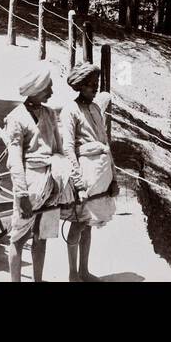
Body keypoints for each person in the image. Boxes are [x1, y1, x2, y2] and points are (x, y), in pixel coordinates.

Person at [4, 64, 77, 282]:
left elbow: (58, 148)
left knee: (42, 237)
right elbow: (15, 159)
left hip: (51, 184)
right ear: (35, 89)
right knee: (18, 238)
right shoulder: (16, 118)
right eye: (48, 88)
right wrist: (22, 194)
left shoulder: (49, 113)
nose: (52, 92)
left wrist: (66, 183)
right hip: (30, 186)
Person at [61, 62, 118, 281]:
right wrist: (78, 182)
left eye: (96, 84)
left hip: (100, 175)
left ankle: (84, 270)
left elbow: (104, 142)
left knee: (89, 224)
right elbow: (67, 147)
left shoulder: (95, 109)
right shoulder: (70, 111)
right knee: (78, 223)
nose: (94, 89)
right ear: (80, 86)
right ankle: (72, 274)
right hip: (83, 175)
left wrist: (114, 177)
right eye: (90, 85)